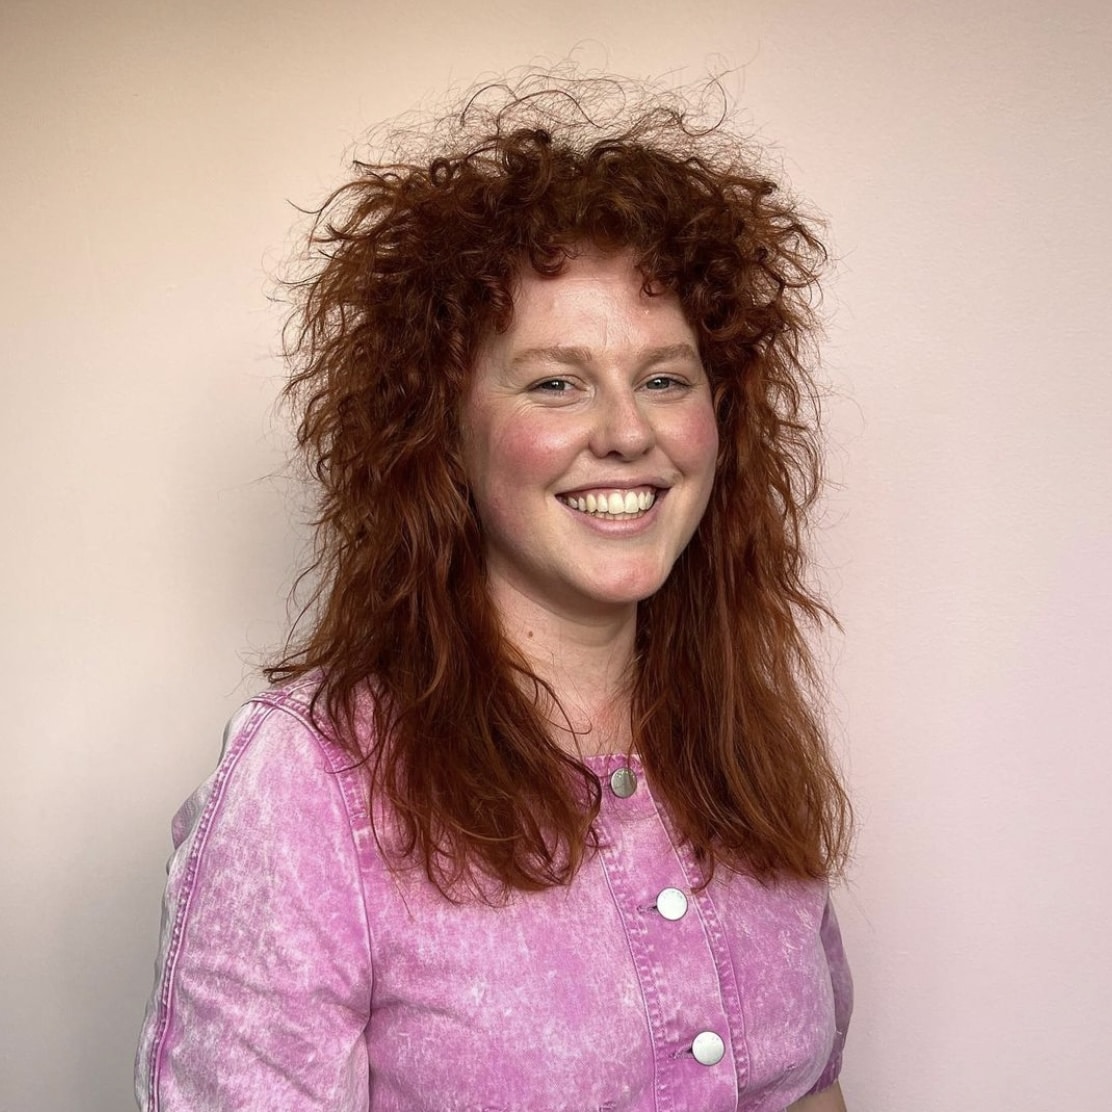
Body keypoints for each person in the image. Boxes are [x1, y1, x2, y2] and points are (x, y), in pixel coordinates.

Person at [135, 74, 853, 1111]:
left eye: (664, 377)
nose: (625, 429)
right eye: (555, 380)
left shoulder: (746, 739)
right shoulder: (310, 782)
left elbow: (808, 1087)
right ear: (444, 435)